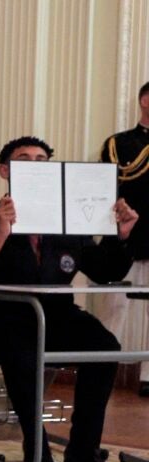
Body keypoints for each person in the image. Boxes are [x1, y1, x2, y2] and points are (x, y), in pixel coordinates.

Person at [0, 136, 138, 462]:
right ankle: (34, 444)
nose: (35, 164)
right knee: (22, 352)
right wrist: (1, 233)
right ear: (4, 171)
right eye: (24, 159)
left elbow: (104, 271)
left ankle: (83, 450)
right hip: (2, 315)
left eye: (42, 160)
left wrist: (120, 235)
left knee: (105, 347)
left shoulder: (66, 221)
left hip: (56, 313)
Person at [97, 81, 149, 397]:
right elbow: (106, 185)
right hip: (125, 233)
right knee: (113, 306)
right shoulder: (120, 144)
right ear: (145, 100)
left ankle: (148, 375)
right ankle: (102, 366)